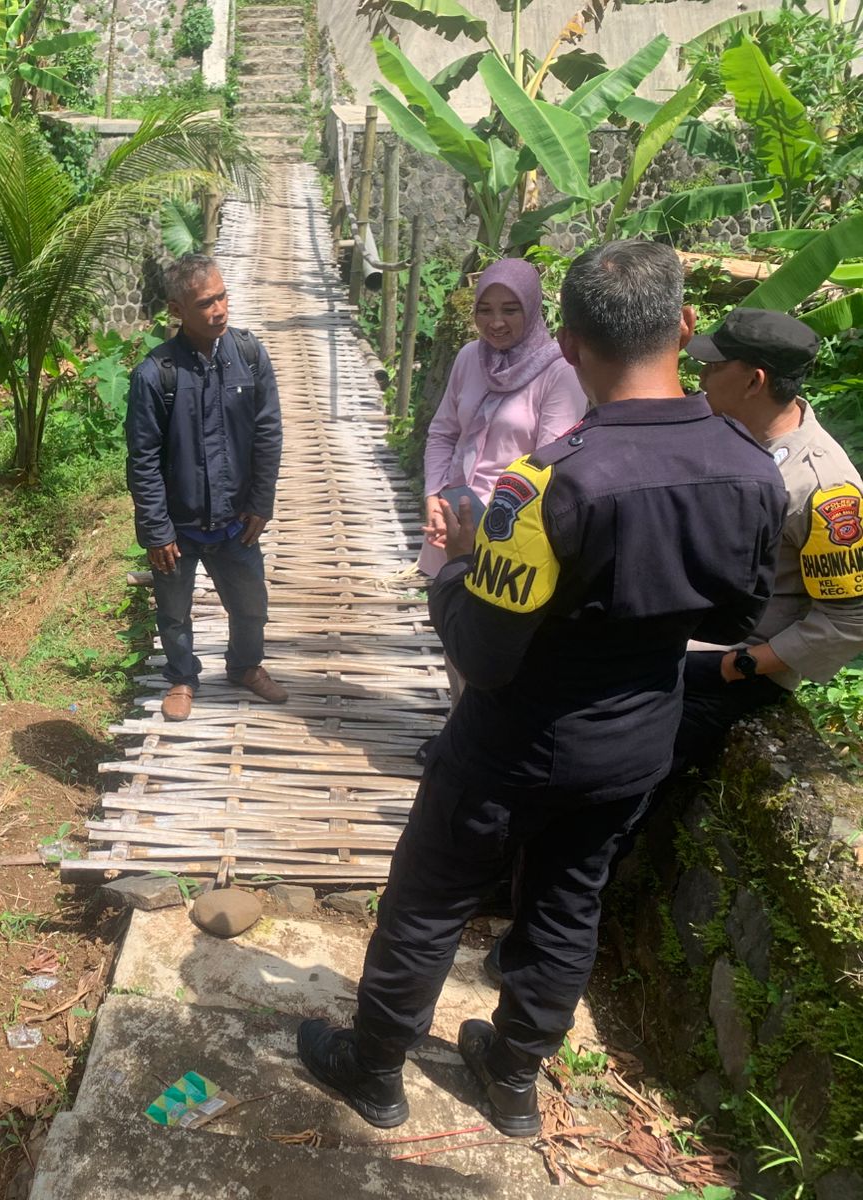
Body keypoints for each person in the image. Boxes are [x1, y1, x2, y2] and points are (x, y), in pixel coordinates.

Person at [295, 240, 785, 1138]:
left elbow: (483, 651)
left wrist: (449, 563)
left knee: (430, 896)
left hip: (511, 741)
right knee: (568, 901)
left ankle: (373, 1067)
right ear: (682, 327)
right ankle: (514, 1076)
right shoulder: (753, 472)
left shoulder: (548, 484)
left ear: (566, 341)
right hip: (637, 739)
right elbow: (742, 615)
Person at [676, 307, 863, 763]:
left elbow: (849, 621)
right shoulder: (726, 424)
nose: (701, 376)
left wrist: (738, 666)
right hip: (685, 633)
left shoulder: (822, 488)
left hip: (731, 662)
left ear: (754, 382)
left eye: (715, 366)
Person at [126, 252, 286, 722]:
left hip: (237, 521)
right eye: (204, 303)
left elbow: (267, 432)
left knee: (251, 605)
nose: (219, 310)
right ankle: (181, 678)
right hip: (179, 524)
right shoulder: (155, 374)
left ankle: (245, 667)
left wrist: (260, 502)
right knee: (174, 612)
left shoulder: (250, 357)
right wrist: (157, 530)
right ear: (177, 310)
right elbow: (143, 459)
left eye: (222, 297)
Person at [420, 258, 587, 706]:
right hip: (454, 516)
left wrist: (490, 522)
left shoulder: (559, 373)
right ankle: (457, 729)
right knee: (453, 624)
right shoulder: (469, 358)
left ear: (533, 309)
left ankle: (479, 739)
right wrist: (434, 497)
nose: (495, 323)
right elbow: (443, 431)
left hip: (509, 529)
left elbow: (551, 463)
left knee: (493, 638)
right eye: (485, 310)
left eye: (510, 309)